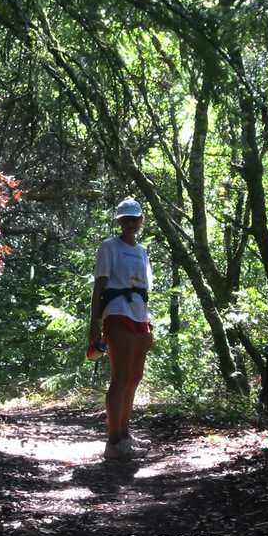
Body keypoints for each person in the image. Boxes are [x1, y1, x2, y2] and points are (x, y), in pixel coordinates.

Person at [88, 197, 153, 460]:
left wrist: (149, 319)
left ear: (140, 220)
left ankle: (124, 435)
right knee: (120, 379)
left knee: (134, 379)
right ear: (119, 221)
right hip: (117, 313)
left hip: (139, 315)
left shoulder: (142, 251)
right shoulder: (109, 247)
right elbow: (100, 285)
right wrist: (94, 323)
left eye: (133, 218)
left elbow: (145, 289)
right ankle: (113, 442)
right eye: (124, 219)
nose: (129, 223)